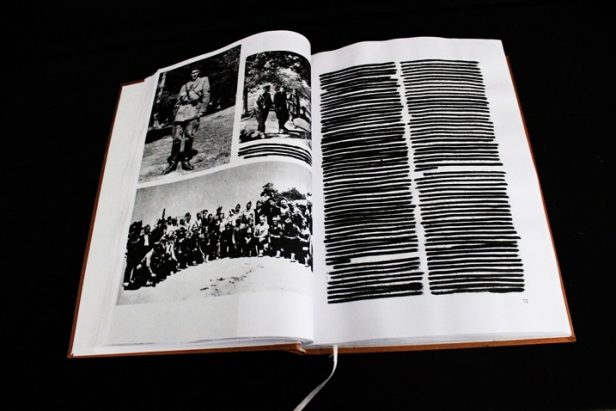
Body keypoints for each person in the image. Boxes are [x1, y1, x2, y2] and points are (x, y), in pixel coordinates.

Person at [163, 67, 210, 174]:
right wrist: (174, 114)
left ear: (199, 73)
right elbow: (178, 101)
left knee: (189, 136)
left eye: (196, 72)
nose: (194, 74)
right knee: (176, 138)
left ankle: (186, 161)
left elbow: (206, 96)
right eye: (192, 73)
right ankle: (173, 162)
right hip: (180, 113)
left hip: (193, 111)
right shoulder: (185, 85)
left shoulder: (204, 81)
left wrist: (202, 111)